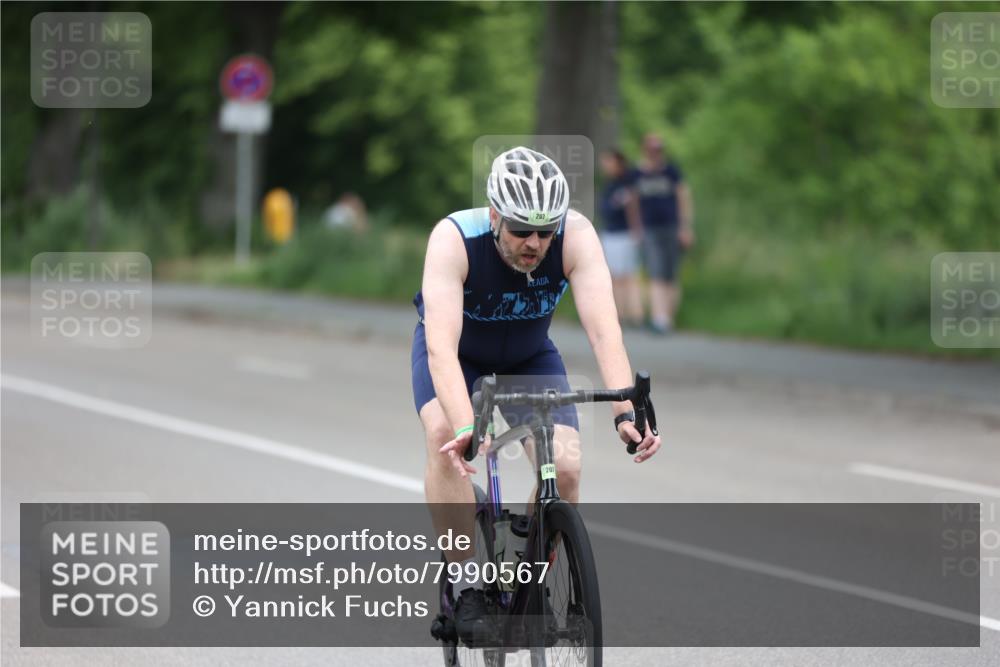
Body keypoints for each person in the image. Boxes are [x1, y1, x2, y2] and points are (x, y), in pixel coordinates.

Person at [411, 146, 662, 642]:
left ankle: (528, 562)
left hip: (528, 358)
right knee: (444, 436)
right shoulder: (454, 240)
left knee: (566, 468)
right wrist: (466, 425)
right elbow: (440, 349)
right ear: (494, 215)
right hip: (458, 355)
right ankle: (466, 590)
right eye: (522, 230)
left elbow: (604, 330)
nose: (535, 243)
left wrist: (625, 410)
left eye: (545, 231)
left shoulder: (577, 237)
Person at [630, 133, 695, 335]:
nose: (655, 154)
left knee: (671, 275)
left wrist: (685, 227)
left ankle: (668, 317)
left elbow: (683, 197)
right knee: (656, 273)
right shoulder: (637, 174)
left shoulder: (671, 172)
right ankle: (659, 318)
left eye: (658, 150)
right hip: (650, 230)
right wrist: (636, 228)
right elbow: (633, 202)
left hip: (672, 228)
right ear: (645, 150)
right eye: (651, 150)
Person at [598, 149, 644, 328]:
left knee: (629, 276)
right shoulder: (611, 184)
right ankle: (620, 314)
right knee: (615, 277)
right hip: (611, 233)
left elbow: (634, 208)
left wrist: (636, 230)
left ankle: (636, 315)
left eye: (609, 162)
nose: (606, 166)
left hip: (625, 234)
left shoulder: (629, 182)